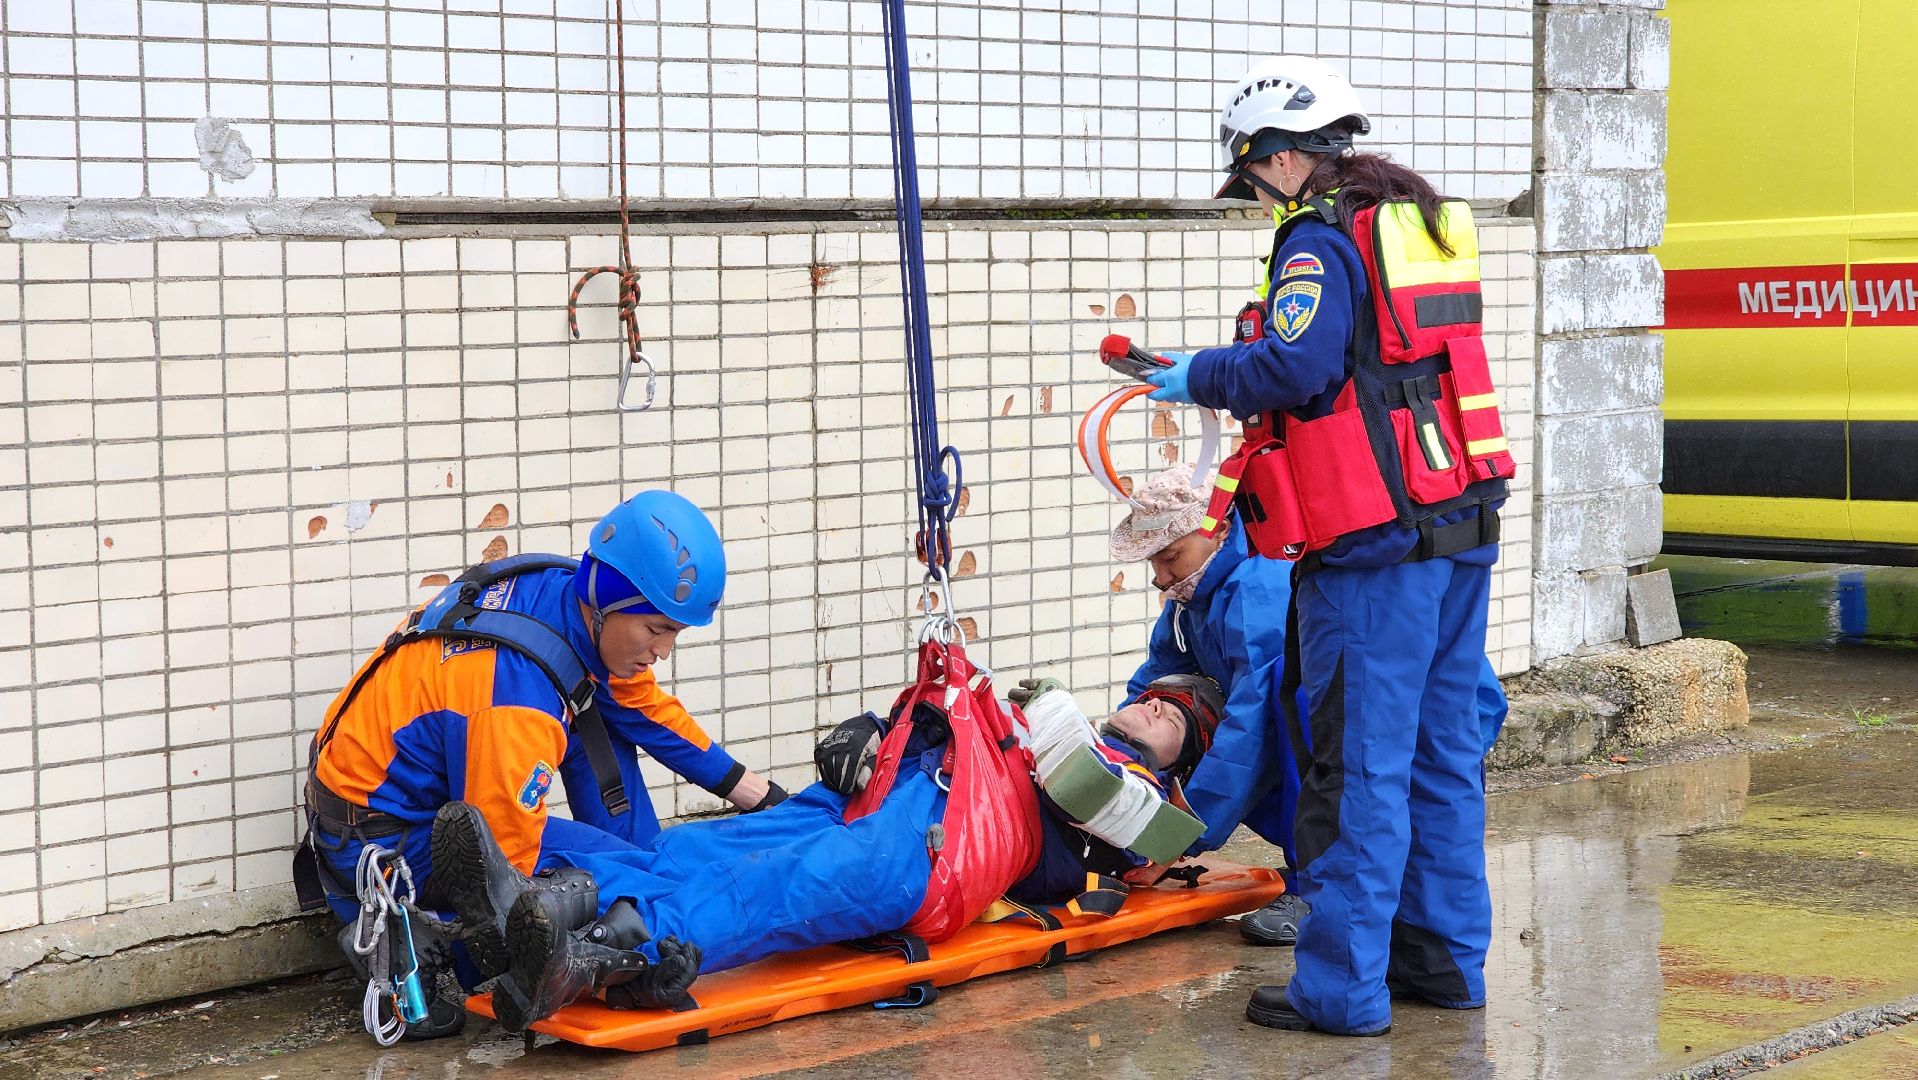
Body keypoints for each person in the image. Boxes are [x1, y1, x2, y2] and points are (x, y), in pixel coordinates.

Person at [1146, 57, 1514, 1036]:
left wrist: (1194, 374)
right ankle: (1442, 966)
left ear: (1278, 156)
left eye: (1251, 175)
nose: (1257, 194)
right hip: (1457, 524)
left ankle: (1342, 992)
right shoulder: (1414, 220)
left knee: (1355, 770)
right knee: (1442, 756)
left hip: (1373, 550)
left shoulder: (1318, 238)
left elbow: (1295, 366)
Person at [429, 675, 1226, 1032]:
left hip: (939, 851)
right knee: (696, 847)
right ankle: (538, 900)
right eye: (1153, 695)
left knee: (768, 888)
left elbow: (1079, 778)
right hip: (888, 793)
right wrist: (873, 730)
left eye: (1175, 720)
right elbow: (962, 718)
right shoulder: (1052, 729)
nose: (1154, 708)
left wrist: (1015, 701)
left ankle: (596, 952)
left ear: (1180, 766)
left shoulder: (1143, 811)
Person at [295, 490, 786, 1037]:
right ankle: (411, 944)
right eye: (656, 630)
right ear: (607, 603)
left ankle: (646, 873)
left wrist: (757, 793)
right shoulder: (516, 700)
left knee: (606, 727)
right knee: (608, 888)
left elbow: (643, 708)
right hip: (386, 847)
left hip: (397, 805)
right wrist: (612, 930)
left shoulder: (559, 594)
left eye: (675, 632)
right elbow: (501, 866)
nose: (664, 650)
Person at [1111, 465, 1510, 950]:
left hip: (1430, 716)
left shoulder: (1256, 588)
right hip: (1381, 704)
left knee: (1310, 744)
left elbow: (1253, 726)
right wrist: (1114, 757)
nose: (1160, 577)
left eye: (1170, 556)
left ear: (1215, 529)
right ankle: (1336, 884)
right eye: (1153, 563)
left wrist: (1177, 836)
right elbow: (1154, 681)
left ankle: (1316, 891)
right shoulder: (1192, 594)